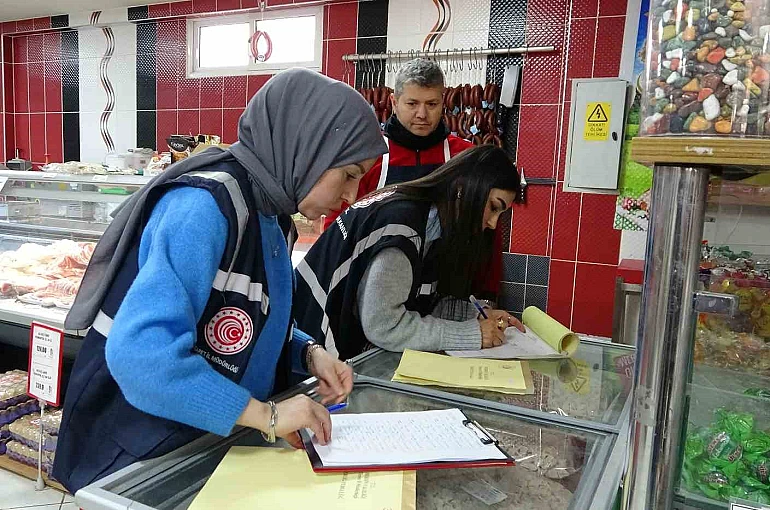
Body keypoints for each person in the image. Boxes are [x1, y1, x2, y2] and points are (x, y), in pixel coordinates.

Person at [52, 69, 388, 493]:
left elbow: (244, 317)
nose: (352, 196)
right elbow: (143, 358)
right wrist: (269, 416)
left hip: (198, 444)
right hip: (136, 456)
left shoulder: (273, 216)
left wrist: (308, 353)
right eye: (350, 174)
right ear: (309, 149)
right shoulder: (204, 208)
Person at [294, 145, 524, 361]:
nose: (493, 224)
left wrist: (475, 314)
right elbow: (385, 325)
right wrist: (472, 334)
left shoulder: (429, 224)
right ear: (464, 189)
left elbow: (420, 302)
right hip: (308, 351)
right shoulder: (403, 227)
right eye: (494, 207)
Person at [323, 58, 505, 299]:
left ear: (443, 103)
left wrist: (487, 296)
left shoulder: (466, 158)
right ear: (394, 102)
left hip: (448, 296)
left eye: (432, 104)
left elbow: (488, 236)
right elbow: (337, 230)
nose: (422, 114)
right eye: (412, 103)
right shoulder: (369, 157)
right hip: (373, 294)